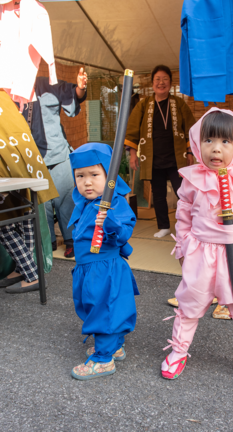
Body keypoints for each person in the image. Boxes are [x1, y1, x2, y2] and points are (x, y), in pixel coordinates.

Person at [161, 108, 233, 393]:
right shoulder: (191, 180)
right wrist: (183, 248)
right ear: (197, 143)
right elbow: (183, 215)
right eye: (209, 140)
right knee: (189, 305)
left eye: (225, 141)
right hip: (200, 253)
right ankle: (178, 350)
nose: (216, 148)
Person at [68, 143, 139, 380]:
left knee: (104, 309)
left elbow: (122, 232)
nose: (87, 182)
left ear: (110, 177)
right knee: (95, 306)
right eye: (80, 176)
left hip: (105, 269)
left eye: (94, 175)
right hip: (89, 268)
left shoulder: (114, 204)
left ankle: (103, 359)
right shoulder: (86, 203)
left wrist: (109, 221)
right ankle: (113, 346)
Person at [20, 68, 87, 258]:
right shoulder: (14, 92)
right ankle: (46, 243)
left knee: (65, 201)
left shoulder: (47, 83)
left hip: (58, 154)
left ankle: (72, 241)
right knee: (42, 205)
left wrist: (81, 87)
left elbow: (72, 94)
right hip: (33, 157)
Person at [125, 65, 195, 238]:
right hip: (153, 159)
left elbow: (191, 129)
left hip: (176, 158)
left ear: (170, 83)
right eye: (158, 79)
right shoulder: (143, 105)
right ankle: (164, 226)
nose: (161, 83)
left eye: (165, 79)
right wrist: (133, 154)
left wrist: (190, 152)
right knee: (158, 195)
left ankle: (187, 226)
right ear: (152, 83)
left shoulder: (179, 103)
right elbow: (132, 130)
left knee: (183, 193)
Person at [0, 89, 58, 293]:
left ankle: (31, 273)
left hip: (8, 168)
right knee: (25, 216)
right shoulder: (5, 97)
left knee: (5, 224)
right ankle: (24, 269)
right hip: (26, 163)